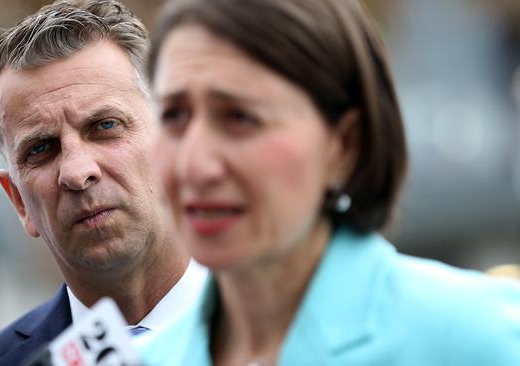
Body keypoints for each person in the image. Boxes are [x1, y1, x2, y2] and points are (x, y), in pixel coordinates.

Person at [135, 0, 520, 364]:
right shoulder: (146, 359)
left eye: (240, 118)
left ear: (345, 145)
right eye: (174, 116)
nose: (194, 165)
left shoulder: (476, 335)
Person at [0, 1, 209, 365]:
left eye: (104, 126)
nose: (75, 172)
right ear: (19, 202)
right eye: (41, 148)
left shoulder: (298, 328)